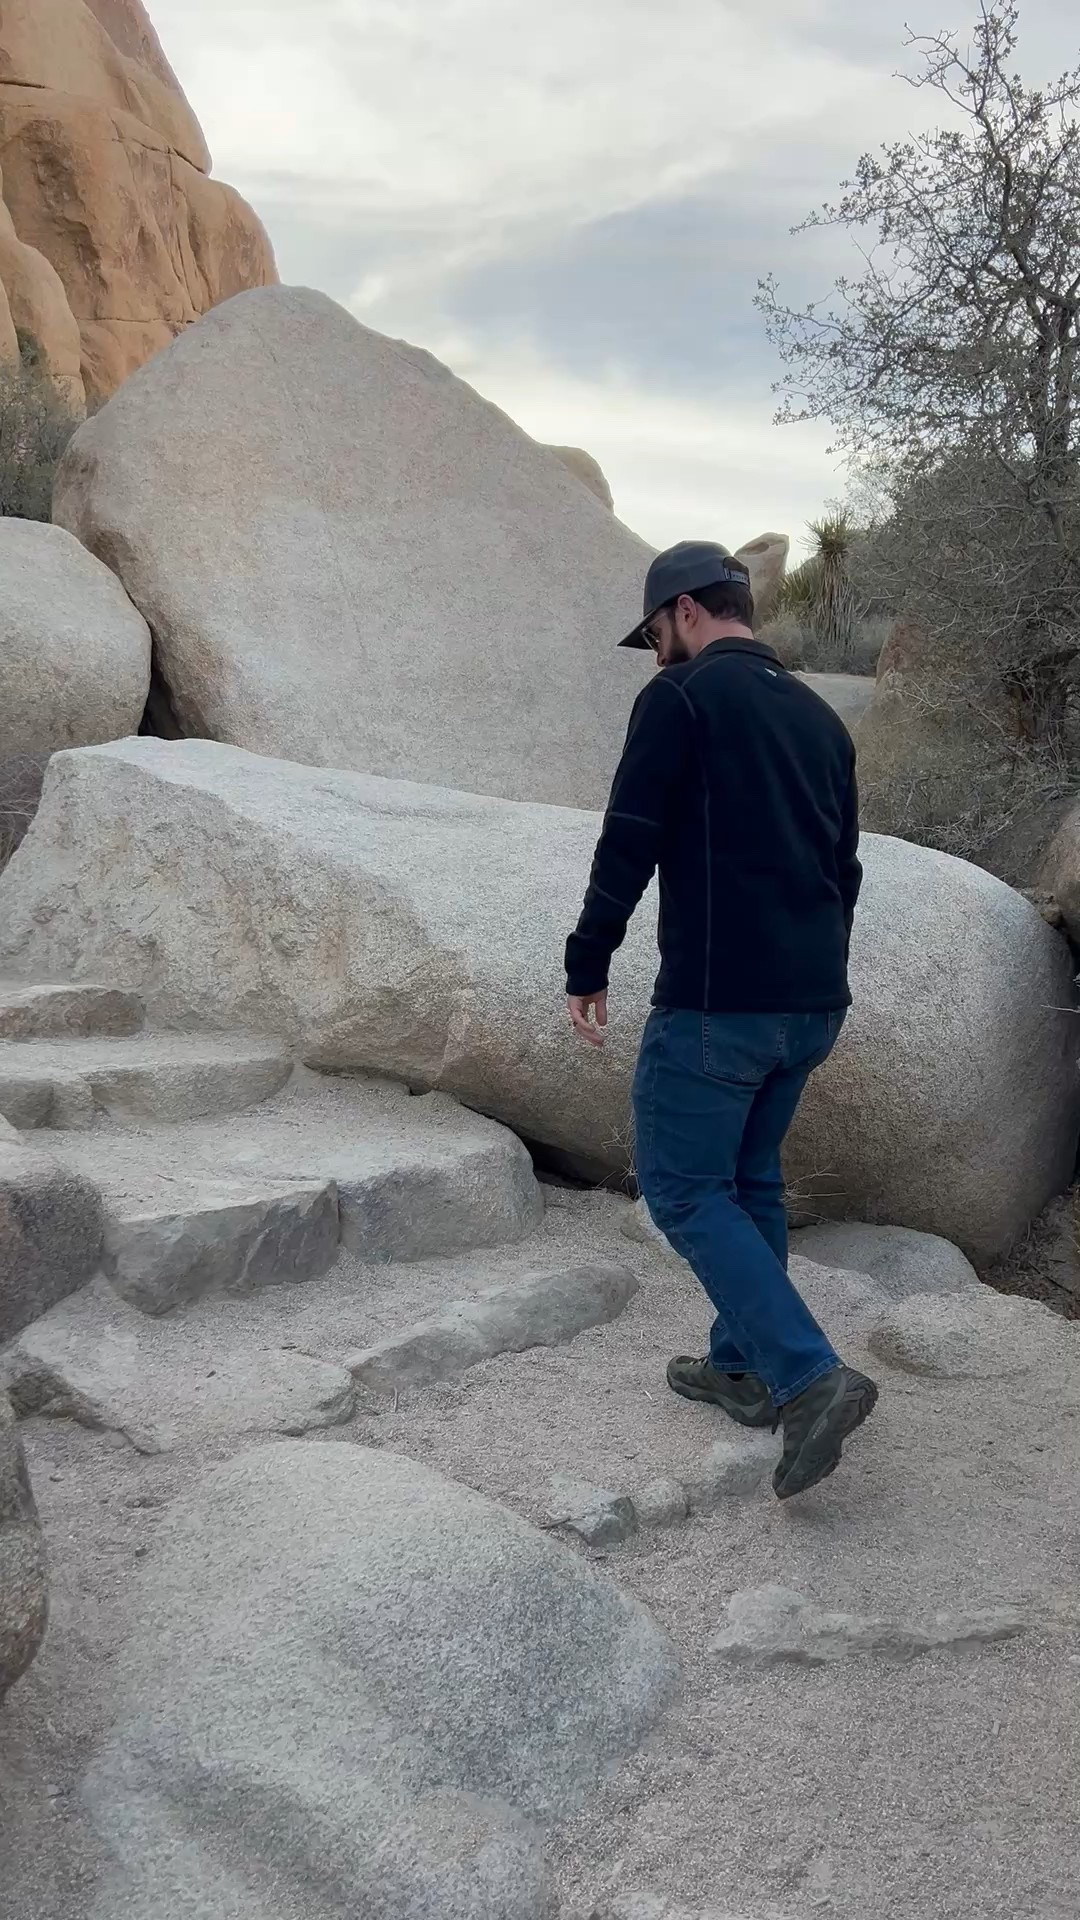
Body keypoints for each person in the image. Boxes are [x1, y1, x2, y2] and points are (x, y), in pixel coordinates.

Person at [564, 540, 877, 1500]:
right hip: (811, 1003)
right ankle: (737, 1366)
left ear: (688, 613)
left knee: (682, 1188)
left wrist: (589, 960)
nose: (657, 650)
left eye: (657, 632)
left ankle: (808, 1375)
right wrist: (814, 972)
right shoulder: (822, 719)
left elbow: (631, 838)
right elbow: (845, 870)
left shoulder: (681, 699)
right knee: (749, 1182)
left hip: (717, 1006)